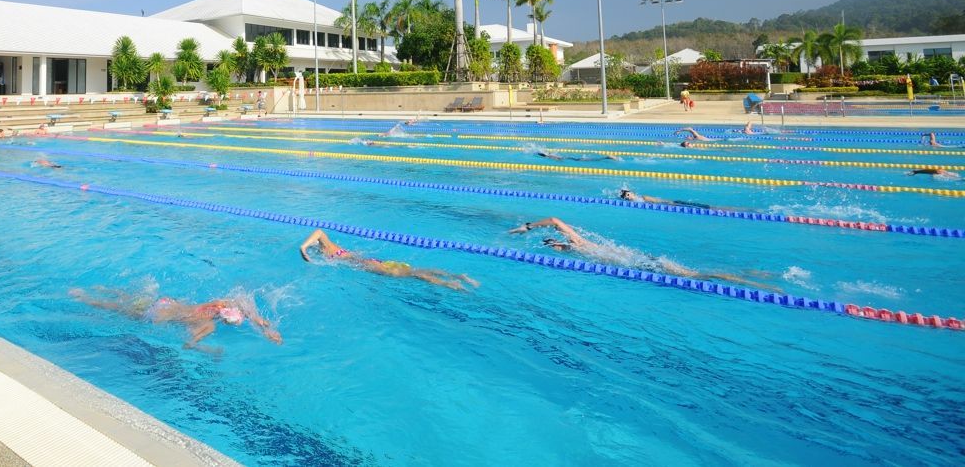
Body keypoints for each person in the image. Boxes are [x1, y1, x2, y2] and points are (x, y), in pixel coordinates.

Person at [508, 217, 776, 289]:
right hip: (640, 263)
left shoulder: (577, 244)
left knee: (698, 275)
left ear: (555, 243)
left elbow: (555, 220)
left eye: (552, 245)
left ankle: (751, 281)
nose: (555, 249)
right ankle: (751, 274)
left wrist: (527, 227)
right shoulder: (575, 251)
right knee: (698, 275)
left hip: (643, 264)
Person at [70, 288, 282, 349]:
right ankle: (85, 298)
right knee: (119, 310)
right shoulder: (208, 324)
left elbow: (246, 308)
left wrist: (266, 328)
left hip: (167, 302)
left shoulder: (220, 303)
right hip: (160, 314)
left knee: (130, 300)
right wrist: (197, 343)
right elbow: (190, 342)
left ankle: (105, 290)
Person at [299, 229, 478, 290]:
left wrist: (303, 248)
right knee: (414, 271)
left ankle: (451, 284)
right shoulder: (332, 250)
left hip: (371, 265)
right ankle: (458, 276)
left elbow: (319, 231)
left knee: (412, 274)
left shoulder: (328, 247)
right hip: (373, 262)